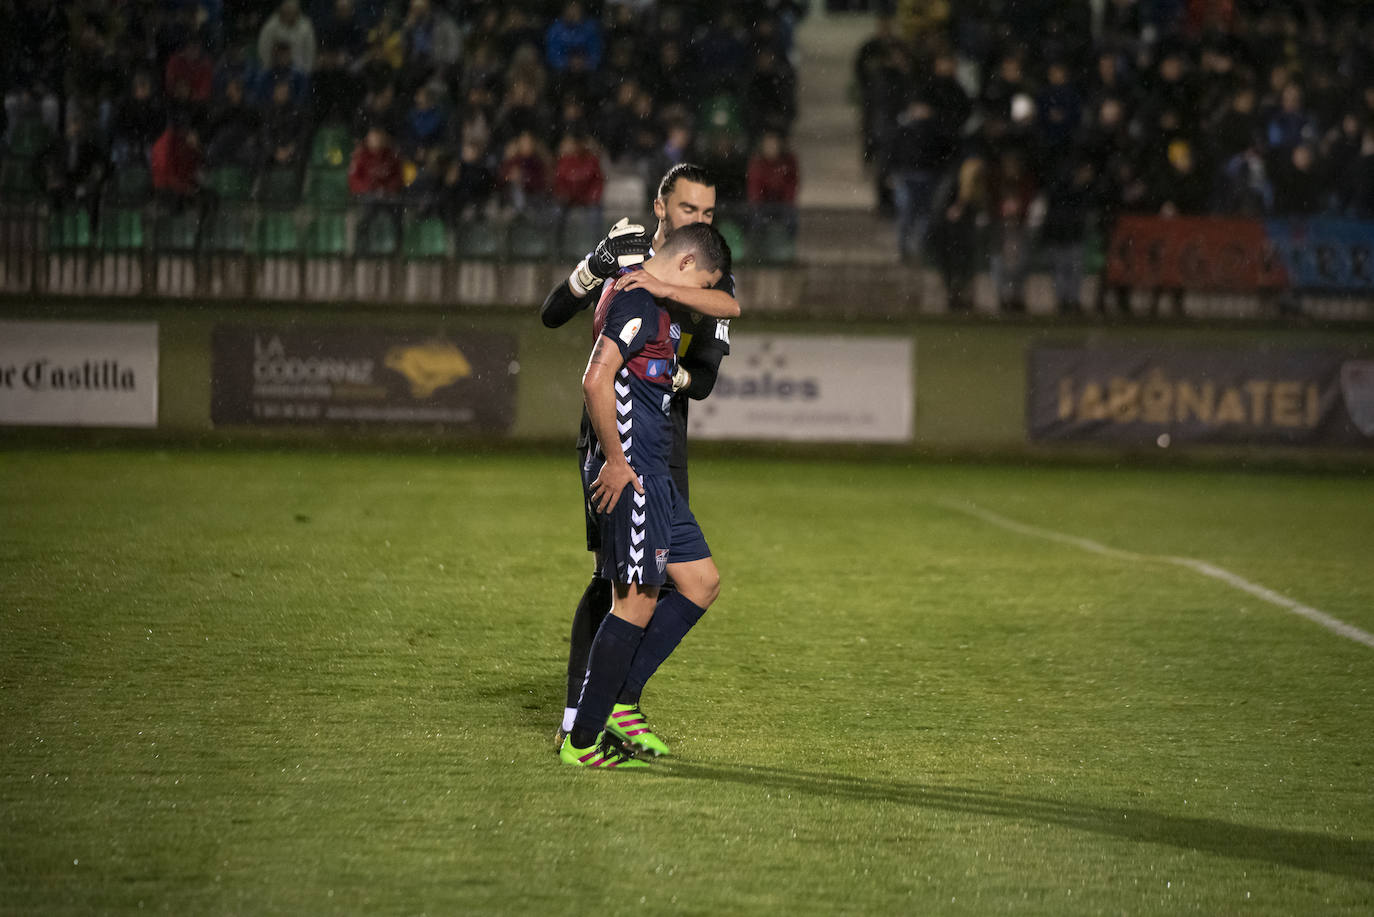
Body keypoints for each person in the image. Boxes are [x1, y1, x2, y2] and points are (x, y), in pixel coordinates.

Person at [542, 163, 741, 756]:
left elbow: (708, 360)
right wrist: (589, 270)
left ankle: (619, 703)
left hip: (663, 444)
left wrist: (669, 307)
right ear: (661, 207)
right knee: (620, 582)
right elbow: (556, 317)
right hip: (618, 444)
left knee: (690, 580)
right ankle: (583, 716)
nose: (700, 220)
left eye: (709, 212)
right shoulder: (624, 261)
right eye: (690, 210)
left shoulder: (700, 273)